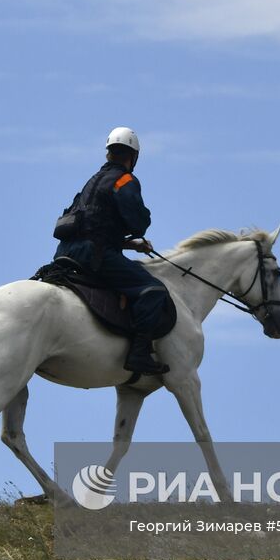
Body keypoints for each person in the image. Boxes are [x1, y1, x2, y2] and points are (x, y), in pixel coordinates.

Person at [54, 127, 170, 376]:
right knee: (154, 290)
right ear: (133, 157)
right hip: (94, 256)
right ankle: (139, 353)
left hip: (66, 251)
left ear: (108, 155)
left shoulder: (91, 182)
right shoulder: (125, 180)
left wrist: (129, 245)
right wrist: (137, 232)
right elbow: (139, 222)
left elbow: (94, 227)